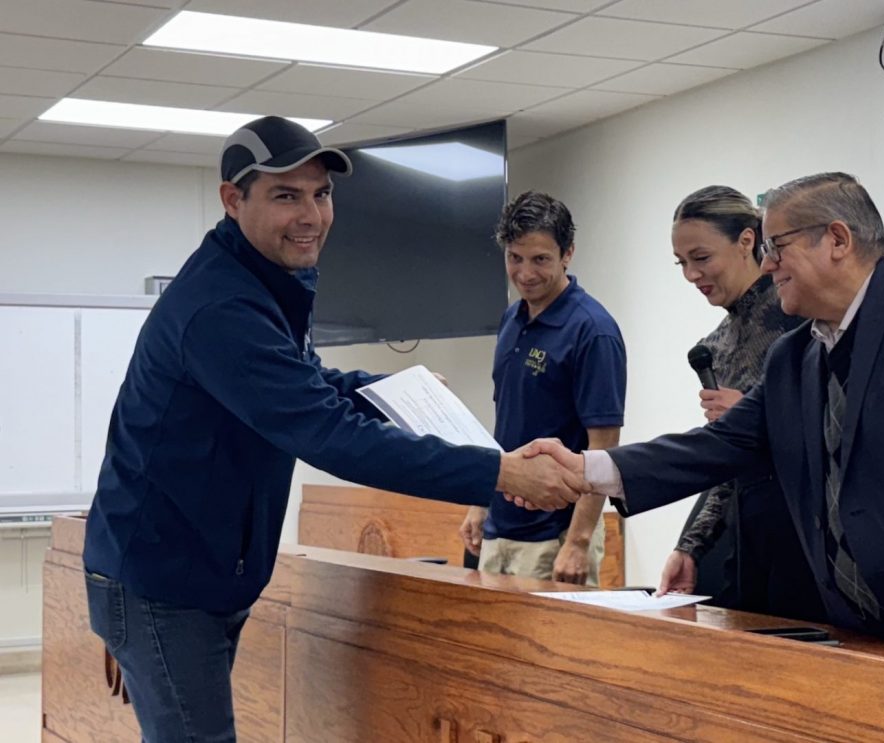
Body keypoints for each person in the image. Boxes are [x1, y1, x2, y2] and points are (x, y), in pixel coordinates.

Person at [82, 117, 584, 743]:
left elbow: (304, 381)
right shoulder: (222, 308)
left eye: (321, 194)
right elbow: (329, 434)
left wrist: (390, 390)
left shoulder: (264, 280)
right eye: (286, 196)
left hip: (195, 570)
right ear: (233, 199)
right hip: (164, 578)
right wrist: (499, 473)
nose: (311, 216)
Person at [524, 172, 884, 664]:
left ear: (838, 240)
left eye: (777, 246)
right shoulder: (793, 356)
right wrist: (586, 468)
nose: (767, 263)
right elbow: (718, 447)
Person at [658, 185, 824, 622]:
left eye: (701, 257)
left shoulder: (801, 318)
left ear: (747, 241)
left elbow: (833, 430)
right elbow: (727, 460)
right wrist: (690, 546)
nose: (691, 274)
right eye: (681, 263)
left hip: (811, 541)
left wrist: (756, 417)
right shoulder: (716, 345)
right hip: (751, 537)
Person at [458, 192, 626, 586]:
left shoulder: (593, 330)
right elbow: (507, 422)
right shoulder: (511, 319)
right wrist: (480, 502)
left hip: (556, 536)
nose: (525, 273)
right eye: (515, 258)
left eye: (540, 260)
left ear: (568, 254)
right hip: (501, 527)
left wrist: (578, 541)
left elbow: (604, 447)